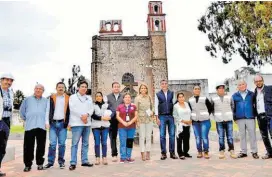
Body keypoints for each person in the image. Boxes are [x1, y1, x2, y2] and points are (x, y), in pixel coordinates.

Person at [19, 84, 47, 172]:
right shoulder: (27, 99)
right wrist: (26, 118)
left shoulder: (46, 100)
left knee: (41, 146)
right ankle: (27, 165)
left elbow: (48, 112)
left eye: (40, 89)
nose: (38, 90)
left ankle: (40, 164)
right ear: (34, 90)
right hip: (30, 126)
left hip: (42, 126)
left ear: (43, 91)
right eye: (36, 88)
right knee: (28, 147)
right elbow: (22, 111)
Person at [69, 81, 94, 170]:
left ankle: (84, 161)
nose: (84, 88)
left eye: (85, 87)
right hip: (76, 123)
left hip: (87, 123)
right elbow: (72, 109)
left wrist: (86, 115)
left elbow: (91, 109)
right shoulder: (72, 97)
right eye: (82, 86)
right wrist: (82, 116)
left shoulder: (89, 98)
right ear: (78, 88)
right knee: (75, 144)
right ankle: (73, 162)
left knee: (85, 143)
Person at [44, 82, 70, 169]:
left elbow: (70, 112)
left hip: (63, 124)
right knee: (52, 144)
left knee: (62, 144)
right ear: (56, 88)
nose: (61, 88)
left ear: (64, 88)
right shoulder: (51, 98)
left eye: (62, 87)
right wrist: (47, 122)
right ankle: (50, 162)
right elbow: (47, 110)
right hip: (53, 124)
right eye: (59, 87)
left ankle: (61, 162)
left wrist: (69, 123)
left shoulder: (68, 98)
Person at [231, 80, 259, 159]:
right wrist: (234, 118)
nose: (241, 86)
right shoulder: (234, 96)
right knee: (242, 135)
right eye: (239, 85)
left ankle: (254, 152)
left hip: (250, 117)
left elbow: (255, 105)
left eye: (243, 84)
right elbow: (233, 108)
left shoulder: (252, 94)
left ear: (246, 85)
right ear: (237, 86)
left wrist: (255, 115)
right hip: (240, 118)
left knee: (252, 135)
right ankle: (243, 152)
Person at [211, 83, 237, 159]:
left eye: (222, 88)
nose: (221, 89)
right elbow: (212, 109)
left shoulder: (229, 97)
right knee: (221, 136)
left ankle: (232, 150)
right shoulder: (213, 98)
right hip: (219, 120)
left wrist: (229, 114)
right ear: (217, 90)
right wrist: (216, 115)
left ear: (224, 89)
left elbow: (233, 106)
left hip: (228, 119)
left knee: (230, 136)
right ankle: (222, 150)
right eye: (219, 88)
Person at [155, 80, 178, 160]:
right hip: (162, 116)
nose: (164, 85)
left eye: (165, 84)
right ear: (160, 85)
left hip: (171, 116)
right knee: (162, 136)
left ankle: (172, 153)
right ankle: (163, 153)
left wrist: (175, 116)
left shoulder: (172, 93)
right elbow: (156, 106)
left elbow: (174, 105)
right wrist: (157, 118)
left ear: (167, 85)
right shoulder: (157, 94)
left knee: (172, 135)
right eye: (162, 84)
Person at [188, 85, 213, 159]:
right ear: (193, 90)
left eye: (198, 89)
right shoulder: (190, 100)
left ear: (200, 90)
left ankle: (206, 151)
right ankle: (199, 151)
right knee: (197, 137)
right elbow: (189, 110)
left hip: (205, 120)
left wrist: (206, 115)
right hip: (195, 121)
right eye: (195, 89)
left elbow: (210, 108)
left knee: (204, 137)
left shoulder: (204, 98)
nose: (197, 90)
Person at [253, 75, 272, 159]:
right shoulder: (254, 92)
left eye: (260, 80)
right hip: (260, 117)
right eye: (256, 81)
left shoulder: (269, 89)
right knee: (264, 136)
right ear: (254, 83)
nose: (258, 82)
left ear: (263, 81)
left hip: (270, 115)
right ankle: (269, 153)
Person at [134, 83, 154, 161]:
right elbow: (136, 110)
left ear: (146, 89)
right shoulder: (137, 98)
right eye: (142, 88)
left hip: (149, 119)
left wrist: (152, 112)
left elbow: (152, 107)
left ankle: (148, 152)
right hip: (141, 119)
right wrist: (137, 120)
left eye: (144, 88)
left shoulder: (149, 97)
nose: (143, 89)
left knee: (148, 137)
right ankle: (142, 153)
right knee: (142, 137)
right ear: (139, 90)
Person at [91, 92, 112, 165]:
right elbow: (93, 115)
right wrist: (102, 118)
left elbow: (112, 113)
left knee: (104, 142)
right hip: (95, 127)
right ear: (95, 97)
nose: (98, 97)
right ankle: (97, 158)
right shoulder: (93, 105)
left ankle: (104, 157)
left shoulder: (106, 105)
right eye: (97, 96)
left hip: (105, 126)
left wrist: (110, 117)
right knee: (97, 143)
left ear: (102, 97)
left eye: (100, 96)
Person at [116, 93, 138, 163]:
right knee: (123, 142)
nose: (127, 98)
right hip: (122, 127)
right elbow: (117, 116)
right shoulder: (119, 106)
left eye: (129, 97)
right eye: (126, 97)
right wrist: (124, 122)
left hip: (131, 127)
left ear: (131, 99)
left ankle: (128, 157)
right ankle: (123, 157)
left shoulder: (134, 107)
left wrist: (130, 122)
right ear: (123, 99)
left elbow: (136, 116)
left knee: (129, 142)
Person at [0, 73, 14, 176]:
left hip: (6, 121)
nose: (9, 82)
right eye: (7, 80)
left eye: (11, 81)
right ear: (1, 80)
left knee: (2, 148)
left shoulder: (11, 92)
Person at [107, 82, 123, 162]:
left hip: (122, 119)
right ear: (112, 88)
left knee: (123, 136)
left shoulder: (123, 96)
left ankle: (124, 154)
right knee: (113, 137)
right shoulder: (108, 97)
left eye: (118, 87)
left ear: (119, 88)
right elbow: (106, 108)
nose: (116, 88)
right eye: (115, 87)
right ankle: (114, 154)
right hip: (112, 119)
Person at [173, 92, 192, 160]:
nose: (181, 98)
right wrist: (183, 121)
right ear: (177, 99)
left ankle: (186, 152)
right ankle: (180, 153)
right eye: (179, 97)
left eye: (182, 97)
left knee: (186, 139)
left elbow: (190, 113)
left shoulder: (187, 104)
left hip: (188, 124)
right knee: (179, 140)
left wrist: (190, 120)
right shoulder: (176, 106)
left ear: (184, 97)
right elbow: (175, 115)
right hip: (180, 125)